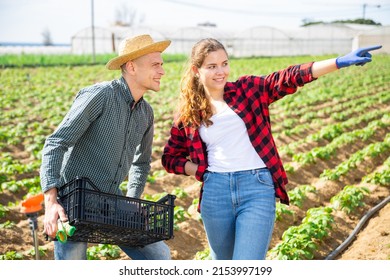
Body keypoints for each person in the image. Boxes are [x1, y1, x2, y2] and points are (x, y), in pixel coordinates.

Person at [161, 38, 382, 260]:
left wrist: (339, 62)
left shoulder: (248, 90)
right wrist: (200, 171)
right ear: (195, 70)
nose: (221, 71)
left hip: (256, 188)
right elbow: (170, 158)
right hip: (215, 193)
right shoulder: (189, 112)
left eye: (224, 63)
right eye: (212, 66)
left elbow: (291, 76)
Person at [40, 34, 172, 260]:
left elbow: (141, 163)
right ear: (131, 67)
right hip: (75, 202)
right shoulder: (101, 96)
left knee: (158, 255)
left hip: (112, 202)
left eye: (161, 65)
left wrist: (133, 200)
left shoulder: (146, 113)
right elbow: (56, 142)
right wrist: (50, 203)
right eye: (155, 65)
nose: (162, 71)